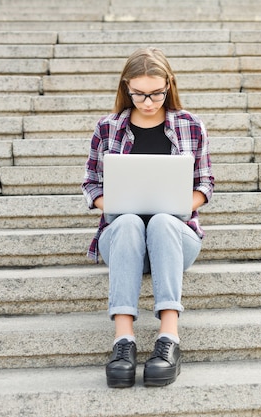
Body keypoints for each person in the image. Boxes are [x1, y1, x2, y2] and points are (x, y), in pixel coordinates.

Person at [81, 47, 214, 388]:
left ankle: (168, 339)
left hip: (175, 239)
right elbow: (91, 183)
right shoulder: (108, 127)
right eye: (138, 93)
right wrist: (116, 203)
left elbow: (205, 184)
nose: (148, 102)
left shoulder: (190, 125)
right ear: (125, 87)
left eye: (156, 93)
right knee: (126, 221)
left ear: (169, 84)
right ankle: (123, 342)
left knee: (162, 221)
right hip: (123, 241)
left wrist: (180, 204)